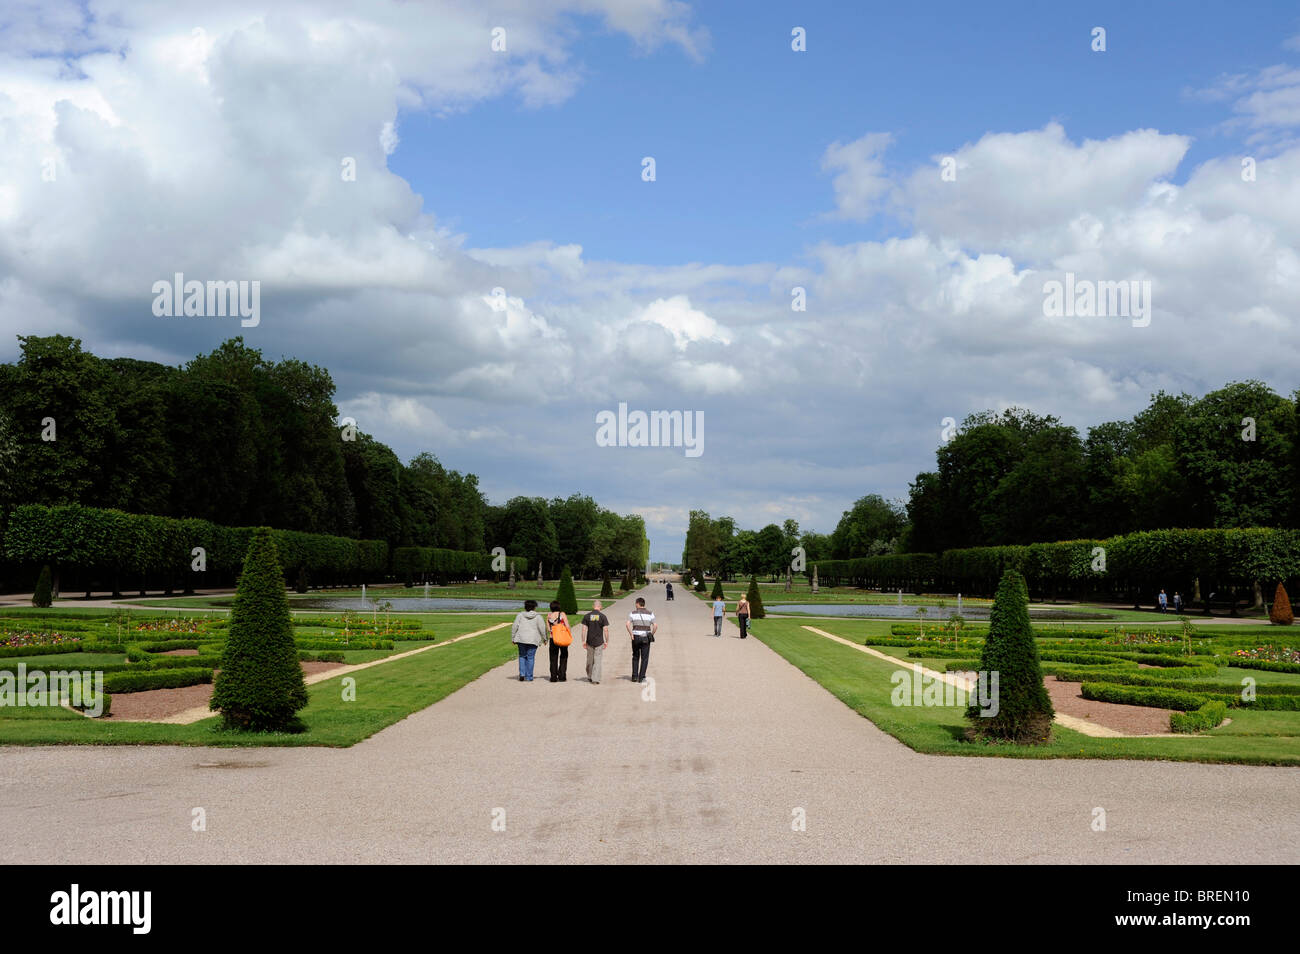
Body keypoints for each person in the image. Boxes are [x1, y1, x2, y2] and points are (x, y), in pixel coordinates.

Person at [511, 599, 548, 682]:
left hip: (521, 639)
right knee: (530, 657)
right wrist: (545, 638)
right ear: (534, 607)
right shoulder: (538, 616)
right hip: (533, 639)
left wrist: (513, 638)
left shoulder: (520, 615)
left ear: (525, 607)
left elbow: (514, 627)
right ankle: (529, 676)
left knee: (522, 656)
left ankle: (522, 674)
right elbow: (542, 628)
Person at [627, 597, 657, 683]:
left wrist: (631, 634)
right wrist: (652, 634)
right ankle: (641, 677)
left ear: (637, 604)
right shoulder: (650, 613)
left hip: (635, 637)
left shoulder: (633, 613)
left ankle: (634, 676)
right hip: (645, 637)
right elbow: (655, 625)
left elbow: (627, 624)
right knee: (645, 658)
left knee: (635, 657)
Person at [580, 600, 610, 684]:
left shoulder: (587, 616)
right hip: (599, 642)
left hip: (589, 641)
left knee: (590, 660)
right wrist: (607, 641)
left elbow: (583, 629)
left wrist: (583, 641)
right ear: (600, 607)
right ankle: (595, 679)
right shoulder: (603, 616)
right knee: (598, 660)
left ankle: (590, 676)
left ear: (593, 606)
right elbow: (606, 630)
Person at [546, 600, 572, 682]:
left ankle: (553, 677)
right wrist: (568, 633)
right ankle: (562, 676)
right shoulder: (562, 614)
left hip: (553, 638)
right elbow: (567, 626)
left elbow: (548, 629)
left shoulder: (549, 616)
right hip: (562, 637)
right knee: (564, 656)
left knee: (553, 657)